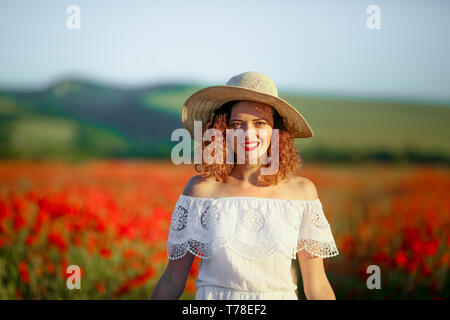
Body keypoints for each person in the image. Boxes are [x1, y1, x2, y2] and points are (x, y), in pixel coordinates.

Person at [151, 71, 339, 300]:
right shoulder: (200, 191)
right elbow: (172, 280)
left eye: (259, 123)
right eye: (237, 123)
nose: (248, 134)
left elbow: (317, 286)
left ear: (276, 130)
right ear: (223, 130)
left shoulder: (302, 193)